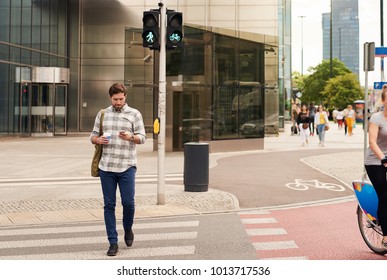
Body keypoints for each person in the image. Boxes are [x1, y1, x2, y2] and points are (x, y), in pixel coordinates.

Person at [90, 83, 146, 256]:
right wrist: (97, 140)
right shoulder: (102, 114)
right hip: (106, 167)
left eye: (121, 99)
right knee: (109, 205)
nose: (118, 102)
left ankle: (128, 228)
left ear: (125, 97)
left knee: (128, 203)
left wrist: (131, 137)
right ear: (110, 98)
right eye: (115, 99)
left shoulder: (134, 114)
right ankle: (112, 243)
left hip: (127, 165)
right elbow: (92, 136)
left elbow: (143, 137)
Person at [364, 88, 387, 249]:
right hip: (375, 161)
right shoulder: (377, 118)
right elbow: (372, 142)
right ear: (384, 101)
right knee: (385, 196)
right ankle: (386, 236)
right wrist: (383, 158)